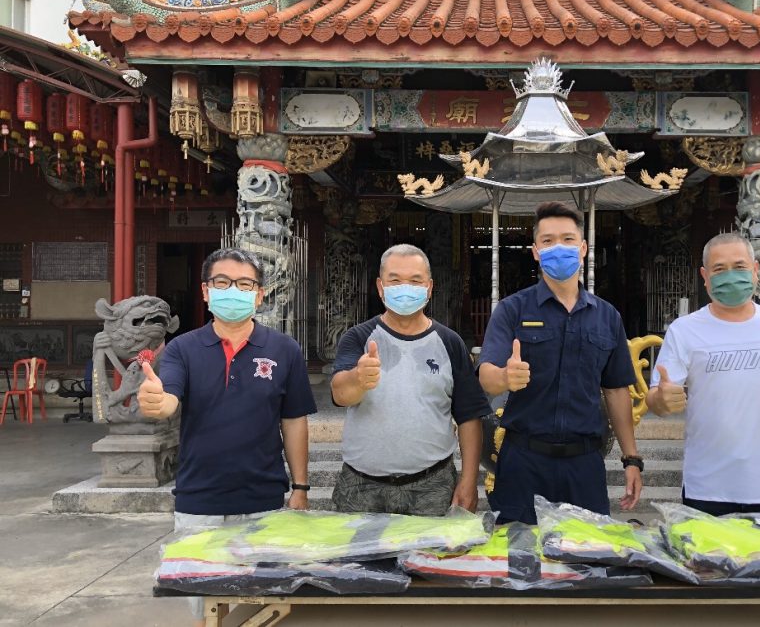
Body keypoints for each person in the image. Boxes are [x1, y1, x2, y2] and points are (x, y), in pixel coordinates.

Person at [138, 247, 316, 627]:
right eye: (222, 282)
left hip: (263, 499)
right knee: (205, 606)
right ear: (206, 291)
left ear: (260, 294)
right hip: (199, 501)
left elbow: (293, 421)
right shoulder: (183, 349)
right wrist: (157, 401)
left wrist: (300, 487)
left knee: (262, 603)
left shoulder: (284, 349)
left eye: (244, 284)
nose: (233, 290)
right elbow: (169, 398)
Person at [478, 201, 643, 525]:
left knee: (587, 553)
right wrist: (506, 377)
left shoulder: (607, 317)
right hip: (523, 461)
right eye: (548, 241)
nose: (559, 248)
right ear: (536, 251)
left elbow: (616, 391)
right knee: (519, 551)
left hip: (584, 464)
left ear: (583, 248)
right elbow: (486, 375)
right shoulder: (512, 310)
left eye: (567, 239)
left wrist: (631, 458)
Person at [646, 232, 760, 516]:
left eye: (739, 266)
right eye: (719, 269)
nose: (730, 276)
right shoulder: (684, 330)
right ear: (705, 276)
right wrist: (661, 399)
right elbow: (657, 399)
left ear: (755, 270)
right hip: (706, 488)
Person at [330, 244, 489, 516]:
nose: (405, 288)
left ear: (429, 287)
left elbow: (469, 417)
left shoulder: (450, 342)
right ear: (380, 287)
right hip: (361, 486)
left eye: (415, 281)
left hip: (432, 485)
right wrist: (358, 378)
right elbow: (340, 394)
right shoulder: (358, 338)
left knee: (431, 547)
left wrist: (469, 480)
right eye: (395, 280)